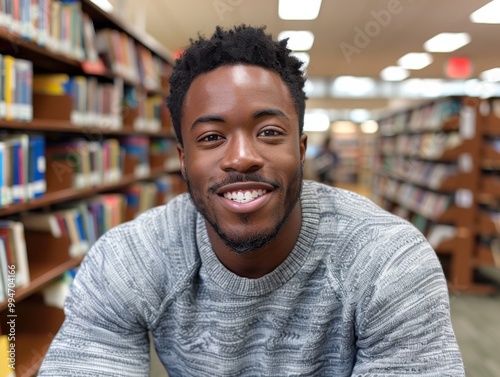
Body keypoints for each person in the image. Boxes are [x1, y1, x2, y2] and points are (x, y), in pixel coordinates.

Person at [39, 25, 465, 376]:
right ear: (184, 161)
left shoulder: (388, 259)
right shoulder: (130, 259)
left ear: (301, 150)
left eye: (269, 132)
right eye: (211, 138)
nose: (242, 157)